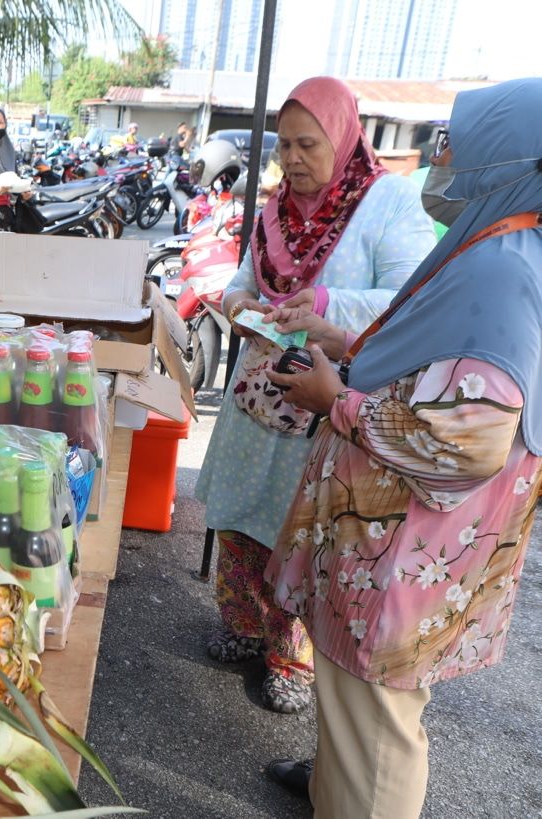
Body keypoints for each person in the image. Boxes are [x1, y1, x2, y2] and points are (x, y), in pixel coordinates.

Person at [262, 78, 542, 817]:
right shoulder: (487, 243)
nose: (436, 154)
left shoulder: (501, 271)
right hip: (390, 536)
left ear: (504, 160)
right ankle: (333, 785)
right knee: (354, 703)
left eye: (456, 142)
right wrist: (348, 347)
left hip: (407, 546)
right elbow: (432, 360)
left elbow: (469, 436)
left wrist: (337, 402)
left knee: (379, 719)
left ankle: (357, 797)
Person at [193, 76, 437, 714]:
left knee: (300, 535)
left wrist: (329, 303)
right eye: (284, 147)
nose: (293, 160)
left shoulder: (386, 203)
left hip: (322, 402)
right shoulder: (276, 209)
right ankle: (244, 627)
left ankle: (290, 659)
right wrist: (239, 299)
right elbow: (245, 281)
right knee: (243, 522)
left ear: (344, 138)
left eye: (308, 145)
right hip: (257, 398)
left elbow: (412, 300)